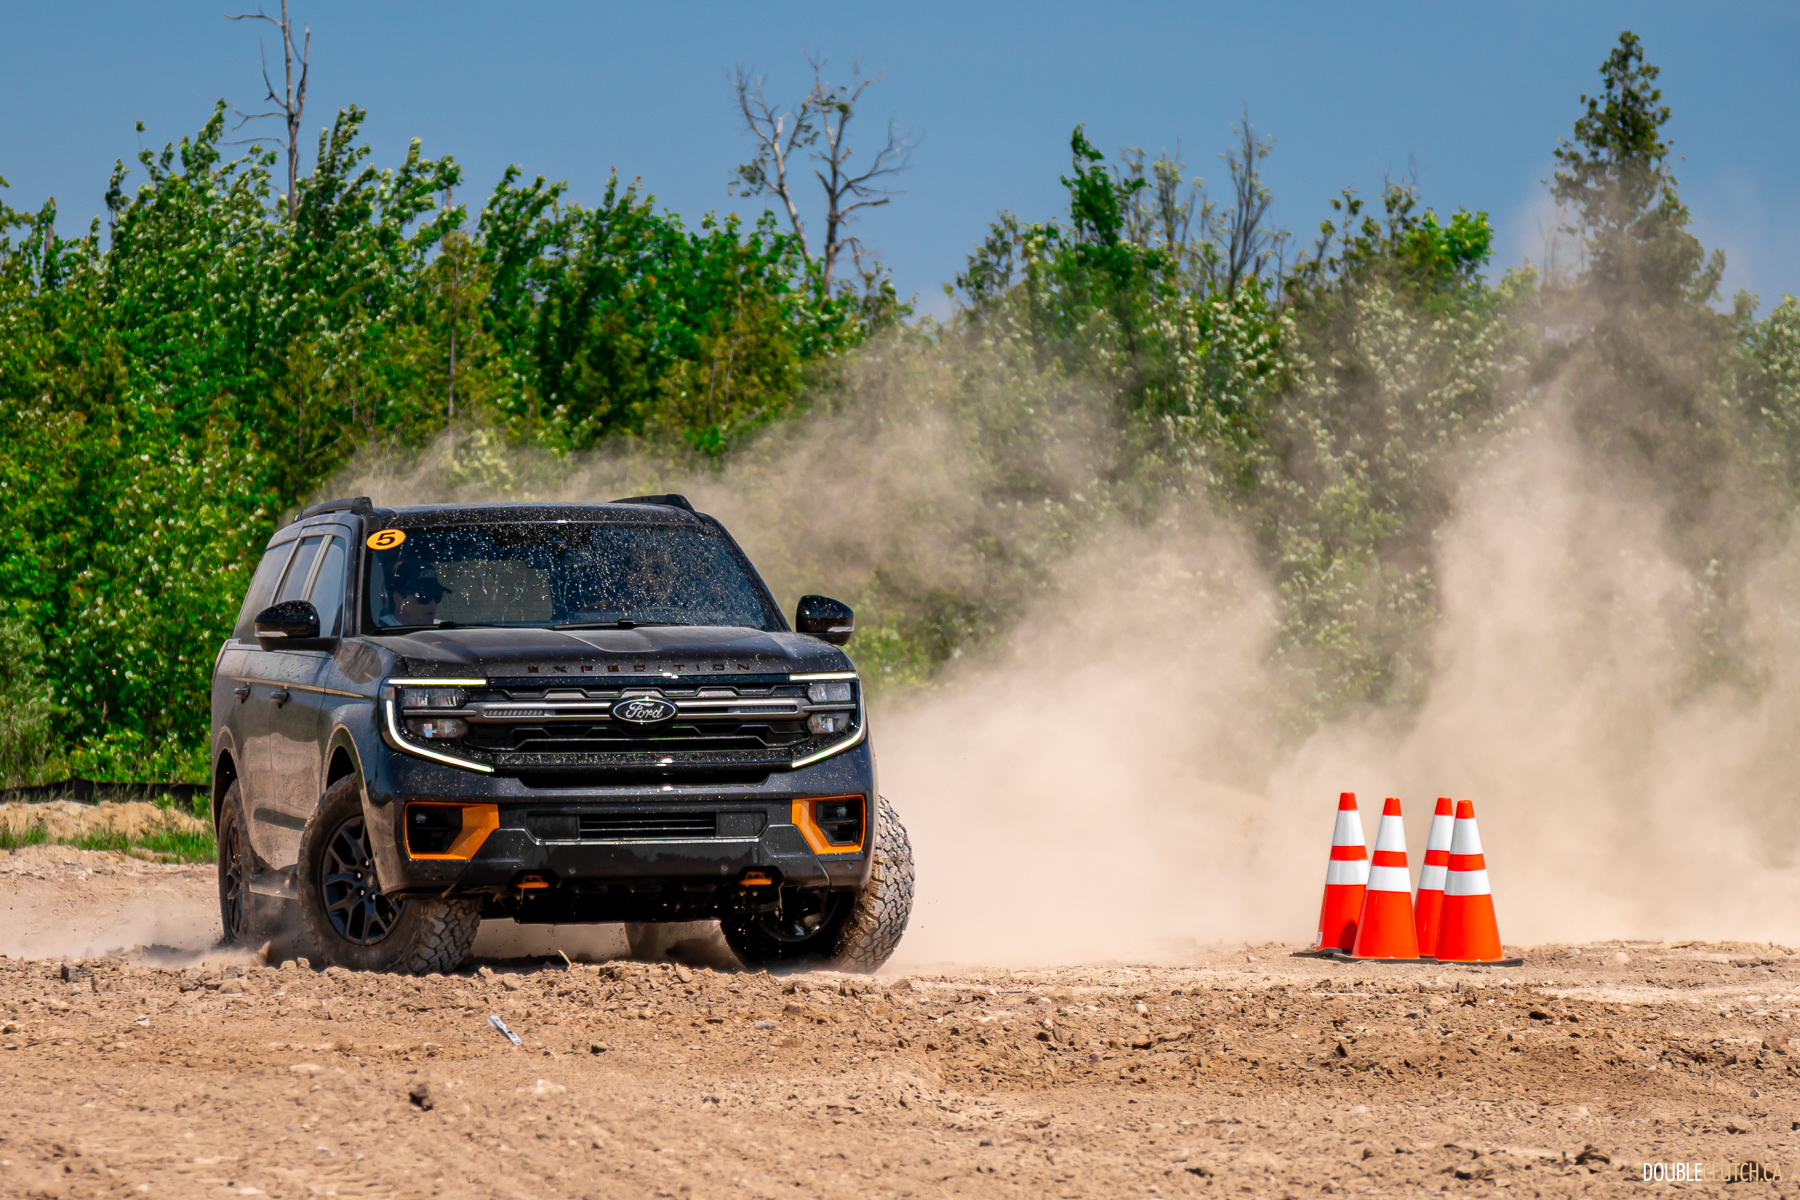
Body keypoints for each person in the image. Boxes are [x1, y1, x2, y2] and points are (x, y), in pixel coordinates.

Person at [386, 559, 452, 626]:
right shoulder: (381, 631)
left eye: (437, 595)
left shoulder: (445, 630)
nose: (433, 604)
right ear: (398, 598)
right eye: (425, 596)